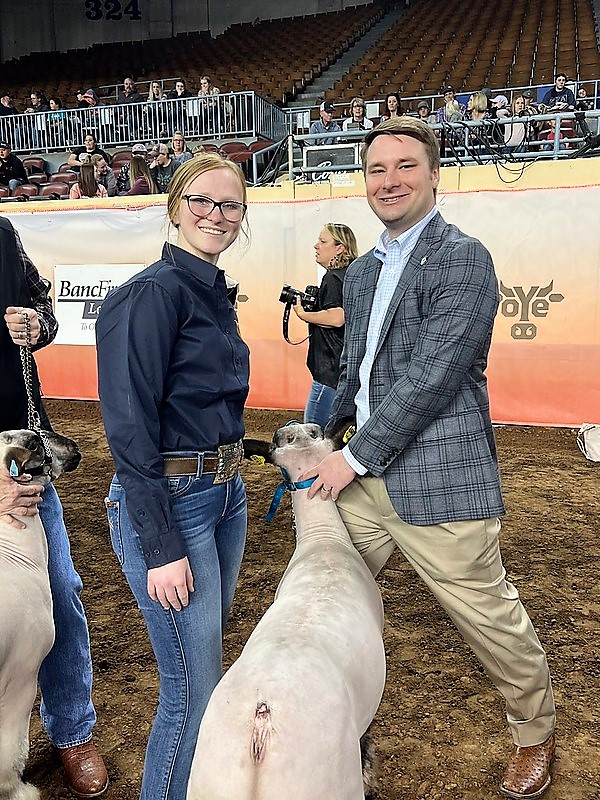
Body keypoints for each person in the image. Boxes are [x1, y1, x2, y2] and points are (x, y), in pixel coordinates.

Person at [301, 116, 556, 800]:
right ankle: (332, 730)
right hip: (363, 479)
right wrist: (328, 436)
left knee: (491, 620)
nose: (389, 181)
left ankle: (535, 734)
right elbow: (356, 374)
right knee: (323, 600)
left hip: (439, 478)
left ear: (435, 174)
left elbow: (433, 377)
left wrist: (350, 459)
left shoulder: (461, 256)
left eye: (405, 166)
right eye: (376, 169)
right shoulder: (358, 276)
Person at [96, 153, 250, 800]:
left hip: (225, 496)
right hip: (174, 506)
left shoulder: (210, 293)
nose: (216, 215)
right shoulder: (151, 296)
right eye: (202, 202)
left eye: (231, 205)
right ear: (174, 206)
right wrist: (160, 547)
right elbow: (129, 431)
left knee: (206, 675)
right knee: (190, 690)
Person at [0, 215, 108, 798]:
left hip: (19, 451)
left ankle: (71, 732)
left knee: (58, 592)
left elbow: (45, 311)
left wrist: (37, 323)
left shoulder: (2, 234)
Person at [293, 223, 358, 429]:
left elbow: (338, 317)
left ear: (340, 248)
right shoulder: (353, 275)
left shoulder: (333, 277)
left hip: (329, 372)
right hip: (345, 370)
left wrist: (304, 314)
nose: (316, 246)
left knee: (312, 437)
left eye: (323, 241)